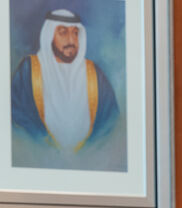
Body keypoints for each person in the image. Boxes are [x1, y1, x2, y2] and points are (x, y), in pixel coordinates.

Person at [11, 9, 119, 152]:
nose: (71, 40)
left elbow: (111, 122)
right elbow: (16, 117)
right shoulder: (28, 70)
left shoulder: (94, 74)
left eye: (75, 33)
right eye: (63, 32)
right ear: (49, 36)